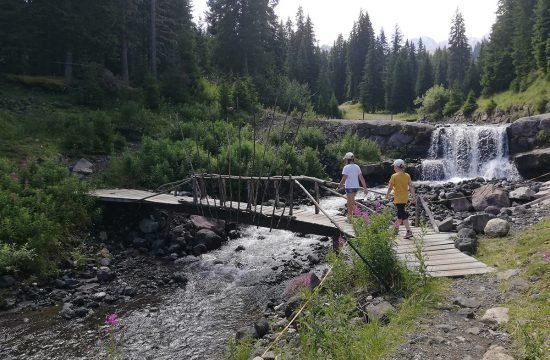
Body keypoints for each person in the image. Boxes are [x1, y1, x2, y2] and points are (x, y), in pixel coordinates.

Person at [386, 159, 416, 239]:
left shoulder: (394, 176)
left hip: (398, 199)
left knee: (403, 215)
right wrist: (414, 197)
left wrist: (387, 195)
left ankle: (409, 231)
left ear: (396, 167)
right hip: (405, 198)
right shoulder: (407, 175)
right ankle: (395, 230)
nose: (393, 168)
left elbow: (390, 187)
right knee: (399, 216)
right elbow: (411, 187)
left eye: (394, 167)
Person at [337, 152, 368, 219]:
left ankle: (360, 218)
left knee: (352, 203)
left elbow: (344, 179)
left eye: (345, 159)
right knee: (349, 202)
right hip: (356, 187)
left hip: (349, 187)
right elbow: (361, 178)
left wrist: (339, 187)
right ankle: (350, 218)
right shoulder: (357, 167)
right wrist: (365, 188)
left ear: (348, 159)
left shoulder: (346, 167)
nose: (345, 161)